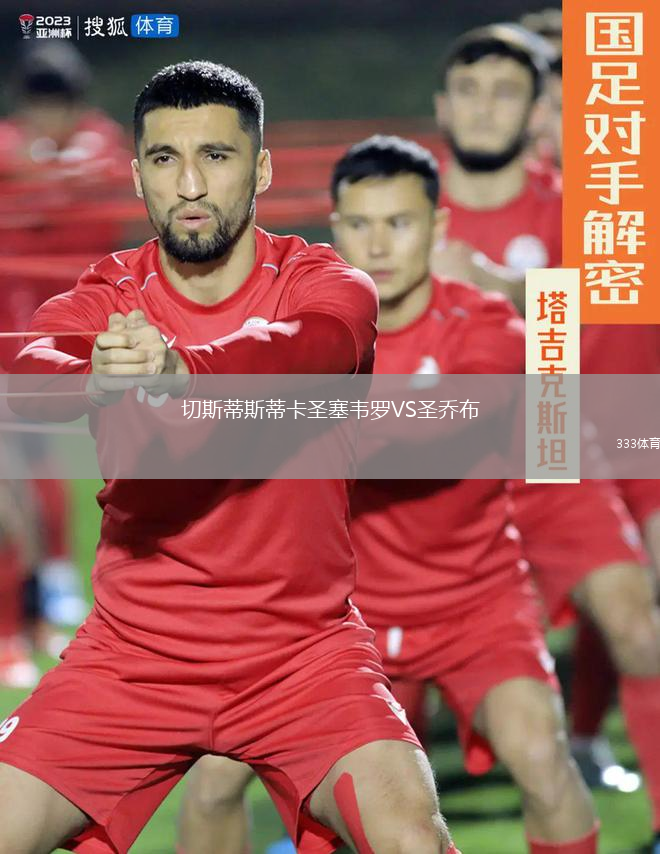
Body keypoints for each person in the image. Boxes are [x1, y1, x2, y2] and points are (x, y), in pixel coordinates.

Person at [0, 63, 458, 854]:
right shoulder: (111, 295)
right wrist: (90, 376)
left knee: (412, 837)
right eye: (165, 158)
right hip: (132, 657)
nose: (189, 185)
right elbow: (22, 361)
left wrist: (185, 370)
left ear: (262, 168)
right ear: (136, 174)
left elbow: (311, 349)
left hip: (302, 656)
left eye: (215, 156)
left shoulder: (325, 284)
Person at [176, 136, 599, 854]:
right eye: (360, 224)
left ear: (438, 227)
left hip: (474, 603)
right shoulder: (296, 329)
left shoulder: (488, 325)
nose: (378, 245)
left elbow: (447, 427)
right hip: (336, 616)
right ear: (334, 229)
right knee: (213, 781)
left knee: (541, 758)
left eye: (399, 223)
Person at [431, 23, 561, 314]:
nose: (483, 108)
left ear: (537, 114)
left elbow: (589, 320)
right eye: (467, 90)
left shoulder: (586, 213)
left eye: (505, 92)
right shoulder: (395, 206)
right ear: (442, 108)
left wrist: (487, 281)